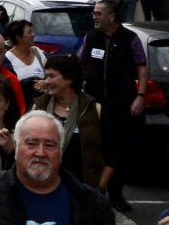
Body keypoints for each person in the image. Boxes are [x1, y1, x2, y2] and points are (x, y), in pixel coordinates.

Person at [80, 0, 146, 211]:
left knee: (117, 149)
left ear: (111, 16)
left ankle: (116, 194)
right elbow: (80, 64)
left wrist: (141, 95)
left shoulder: (129, 38)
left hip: (121, 104)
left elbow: (142, 68)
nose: (94, 17)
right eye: (94, 13)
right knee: (93, 146)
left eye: (99, 13)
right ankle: (92, 191)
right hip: (94, 103)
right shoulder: (91, 38)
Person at [33, 53, 111, 193]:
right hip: (43, 189)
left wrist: (99, 188)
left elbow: (112, 156)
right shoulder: (38, 107)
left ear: (69, 78)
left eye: (52, 76)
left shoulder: (94, 110)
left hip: (83, 192)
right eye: (46, 76)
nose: (47, 81)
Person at [4, 19, 46, 108]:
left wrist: (45, 82)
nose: (33, 35)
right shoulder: (8, 58)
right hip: (19, 106)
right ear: (19, 37)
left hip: (41, 105)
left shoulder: (37, 52)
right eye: (29, 32)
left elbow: (49, 73)